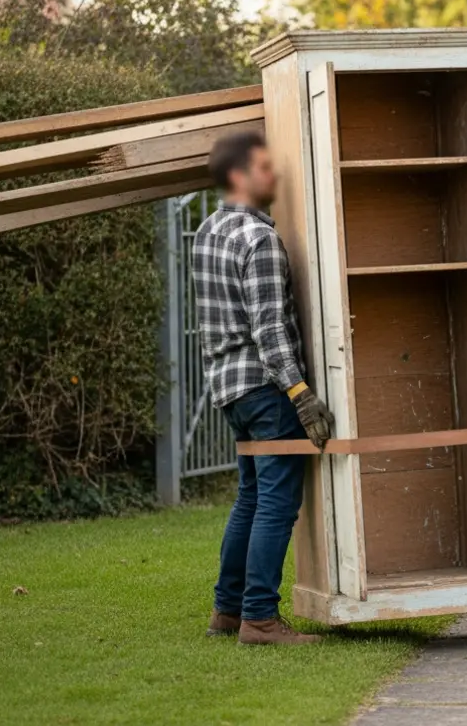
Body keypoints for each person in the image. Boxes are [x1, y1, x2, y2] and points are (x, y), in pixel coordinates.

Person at [193, 131, 335, 646]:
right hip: (267, 387)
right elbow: (270, 328)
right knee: (276, 503)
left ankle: (227, 612)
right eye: (264, 167)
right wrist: (300, 393)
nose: (273, 175)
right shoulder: (258, 239)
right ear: (239, 176)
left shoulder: (209, 230)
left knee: (250, 498)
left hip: (230, 390)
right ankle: (259, 619)